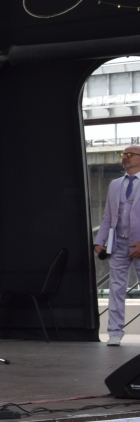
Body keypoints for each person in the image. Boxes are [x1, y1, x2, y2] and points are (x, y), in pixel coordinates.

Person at [96, 144, 140, 344]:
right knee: (116, 288)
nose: (125, 157)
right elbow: (107, 216)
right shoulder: (115, 184)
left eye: (130, 154)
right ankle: (114, 332)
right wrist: (100, 242)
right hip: (119, 243)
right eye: (123, 154)